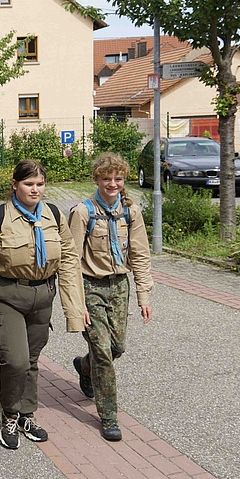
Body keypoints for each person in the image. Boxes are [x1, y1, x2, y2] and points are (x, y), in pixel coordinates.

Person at [0, 159, 89, 450]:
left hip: (42, 297)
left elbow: (68, 260)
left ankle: (26, 414)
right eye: (28, 184)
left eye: (40, 184)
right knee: (16, 361)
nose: (35, 190)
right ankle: (9, 413)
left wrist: (74, 309)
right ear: (15, 185)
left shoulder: (54, 215)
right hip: (6, 297)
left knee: (31, 361)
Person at [69, 152, 153, 442]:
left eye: (117, 179)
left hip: (120, 286)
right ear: (96, 179)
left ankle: (84, 365)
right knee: (103, 352)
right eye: (106, 179)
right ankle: (108, 416)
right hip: (91, 286)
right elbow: (71, 260)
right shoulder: (82, 212)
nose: (112, 184)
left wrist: (143, 295)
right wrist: (75, 304)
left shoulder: (131, 212)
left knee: (117, 348)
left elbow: (140, 255)